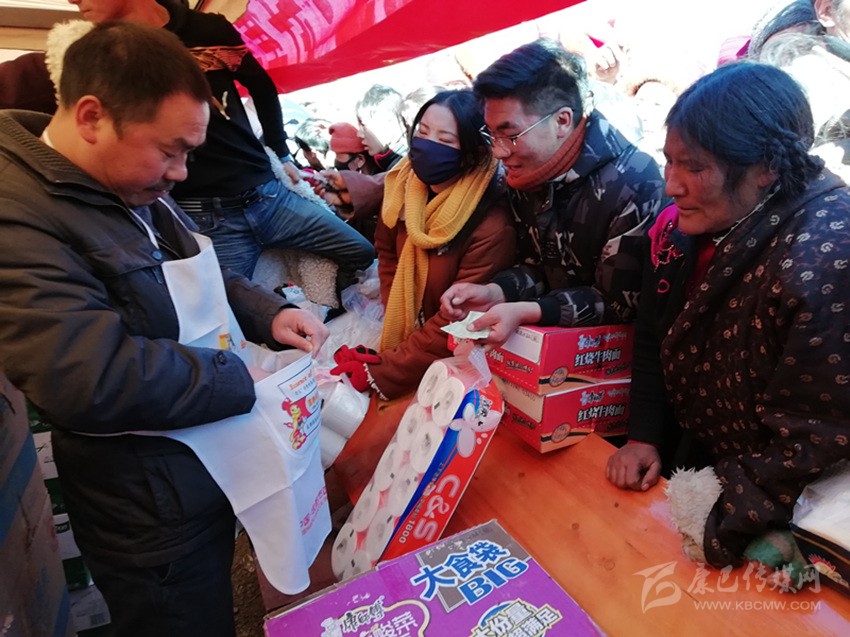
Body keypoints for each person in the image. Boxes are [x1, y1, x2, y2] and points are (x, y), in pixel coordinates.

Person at [0, 21, 327, 636]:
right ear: (92, 117)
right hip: (146, 502)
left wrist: (266, 312)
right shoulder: (18, 211)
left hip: (199, 464)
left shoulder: (129, 179)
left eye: (188, 154)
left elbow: (192, 265)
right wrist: (240, 376)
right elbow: (86, 374)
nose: (180, 173)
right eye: (171, 151)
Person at [605, 62, 850, 569]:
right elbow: (654, 333)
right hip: (711, 461)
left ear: (767, 168)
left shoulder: (826, 257)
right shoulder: (686, 229)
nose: (671, 185)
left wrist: (718, 525)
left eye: (694, 167)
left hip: (791, 512)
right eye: (668, 161)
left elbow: (817, 435)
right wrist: (644, 433)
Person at [66, 0, 375, 296]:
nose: (72, 0)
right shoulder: (99, 55)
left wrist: (281, 153)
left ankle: (325, 312)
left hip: (269, 196)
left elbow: (262, 87)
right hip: (205, 217)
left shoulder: (206, 30)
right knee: (233, 312)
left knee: (360, 251)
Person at [440, 39, 668, 345]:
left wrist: (534, 310)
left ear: (562, 121)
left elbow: (620, 303)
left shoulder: (634, 182)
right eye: (491, 135)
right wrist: (496, 291)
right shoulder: (524, 177)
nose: (498, 152)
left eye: (510, 135)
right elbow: (538, 267)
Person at [330, 89, 516, 399]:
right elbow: (387, 252)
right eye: (423, 132)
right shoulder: (403, 188)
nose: (427, 145)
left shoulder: (492, 226)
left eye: (444, 140)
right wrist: (395, 308)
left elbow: (456, 322)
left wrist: (384, 370)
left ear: (473, 152)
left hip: (450, 361)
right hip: (410, 344)